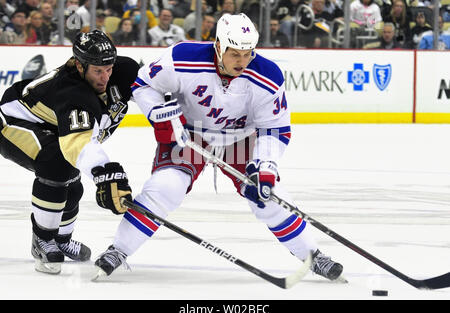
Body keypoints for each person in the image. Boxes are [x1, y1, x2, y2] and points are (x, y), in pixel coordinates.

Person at [94, 13, 344, 282]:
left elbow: (275, 129)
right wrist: (160, 114)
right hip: (190, 136)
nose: (242, 62)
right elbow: (144, 85)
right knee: (166, 187)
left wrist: (265, 166)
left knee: (268, 197)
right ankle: (118, 250)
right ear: (218, 46)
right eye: (235, 54)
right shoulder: (182, 57)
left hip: (239, 139)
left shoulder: (268, 75)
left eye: (248, 54)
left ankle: (313, 255)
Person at [0, 30, 138, 275]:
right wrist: (104, 174)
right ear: (79, 65)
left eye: (109, 69)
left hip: (52, 123)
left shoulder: (123, 70)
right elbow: (79, 144)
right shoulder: (73, 93)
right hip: (12, 121)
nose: (105, 76)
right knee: (58, 165)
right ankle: (43, 240)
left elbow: (153, 84)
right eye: (97, 70)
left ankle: (61, 240)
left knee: (73, 184)